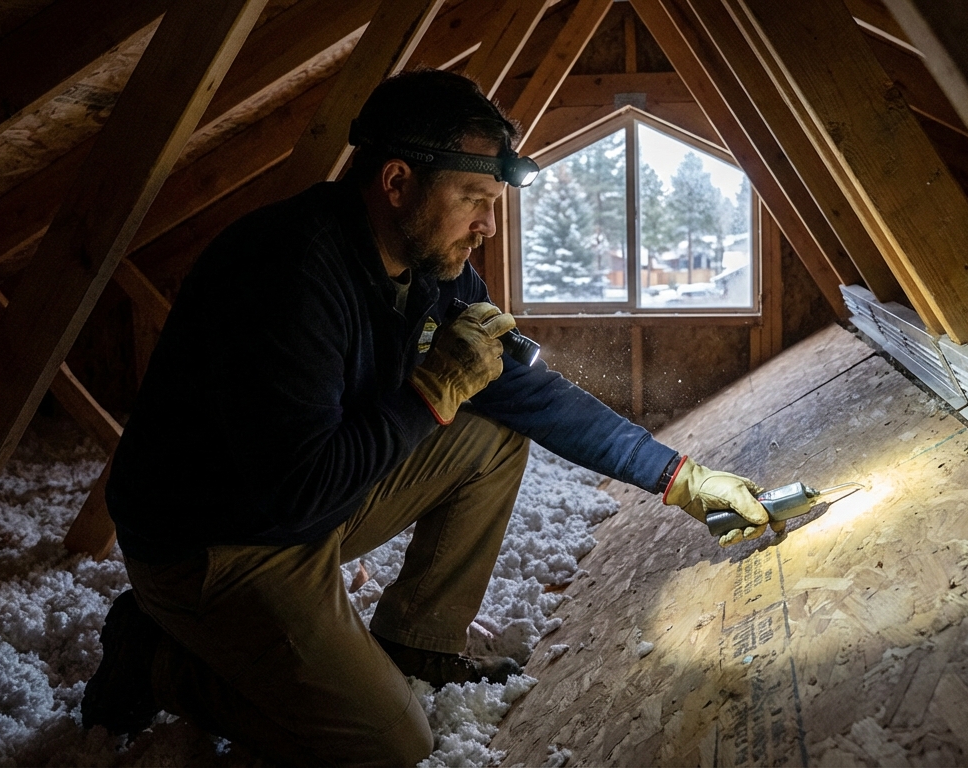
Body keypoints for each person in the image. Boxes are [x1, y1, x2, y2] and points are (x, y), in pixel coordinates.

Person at [80, 69, 775, 766]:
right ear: (396, 183)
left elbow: (525, 394)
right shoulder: (287, 275)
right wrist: (430, 395)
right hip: (219, 543)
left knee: (495, 432)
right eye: (473, 198)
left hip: (309, 507)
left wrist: (679, 477)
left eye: (493, 201)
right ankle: (157, 662)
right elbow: (296, 493)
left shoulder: (431, 268)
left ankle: (417, 643)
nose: (488, 225)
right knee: (388, 745)